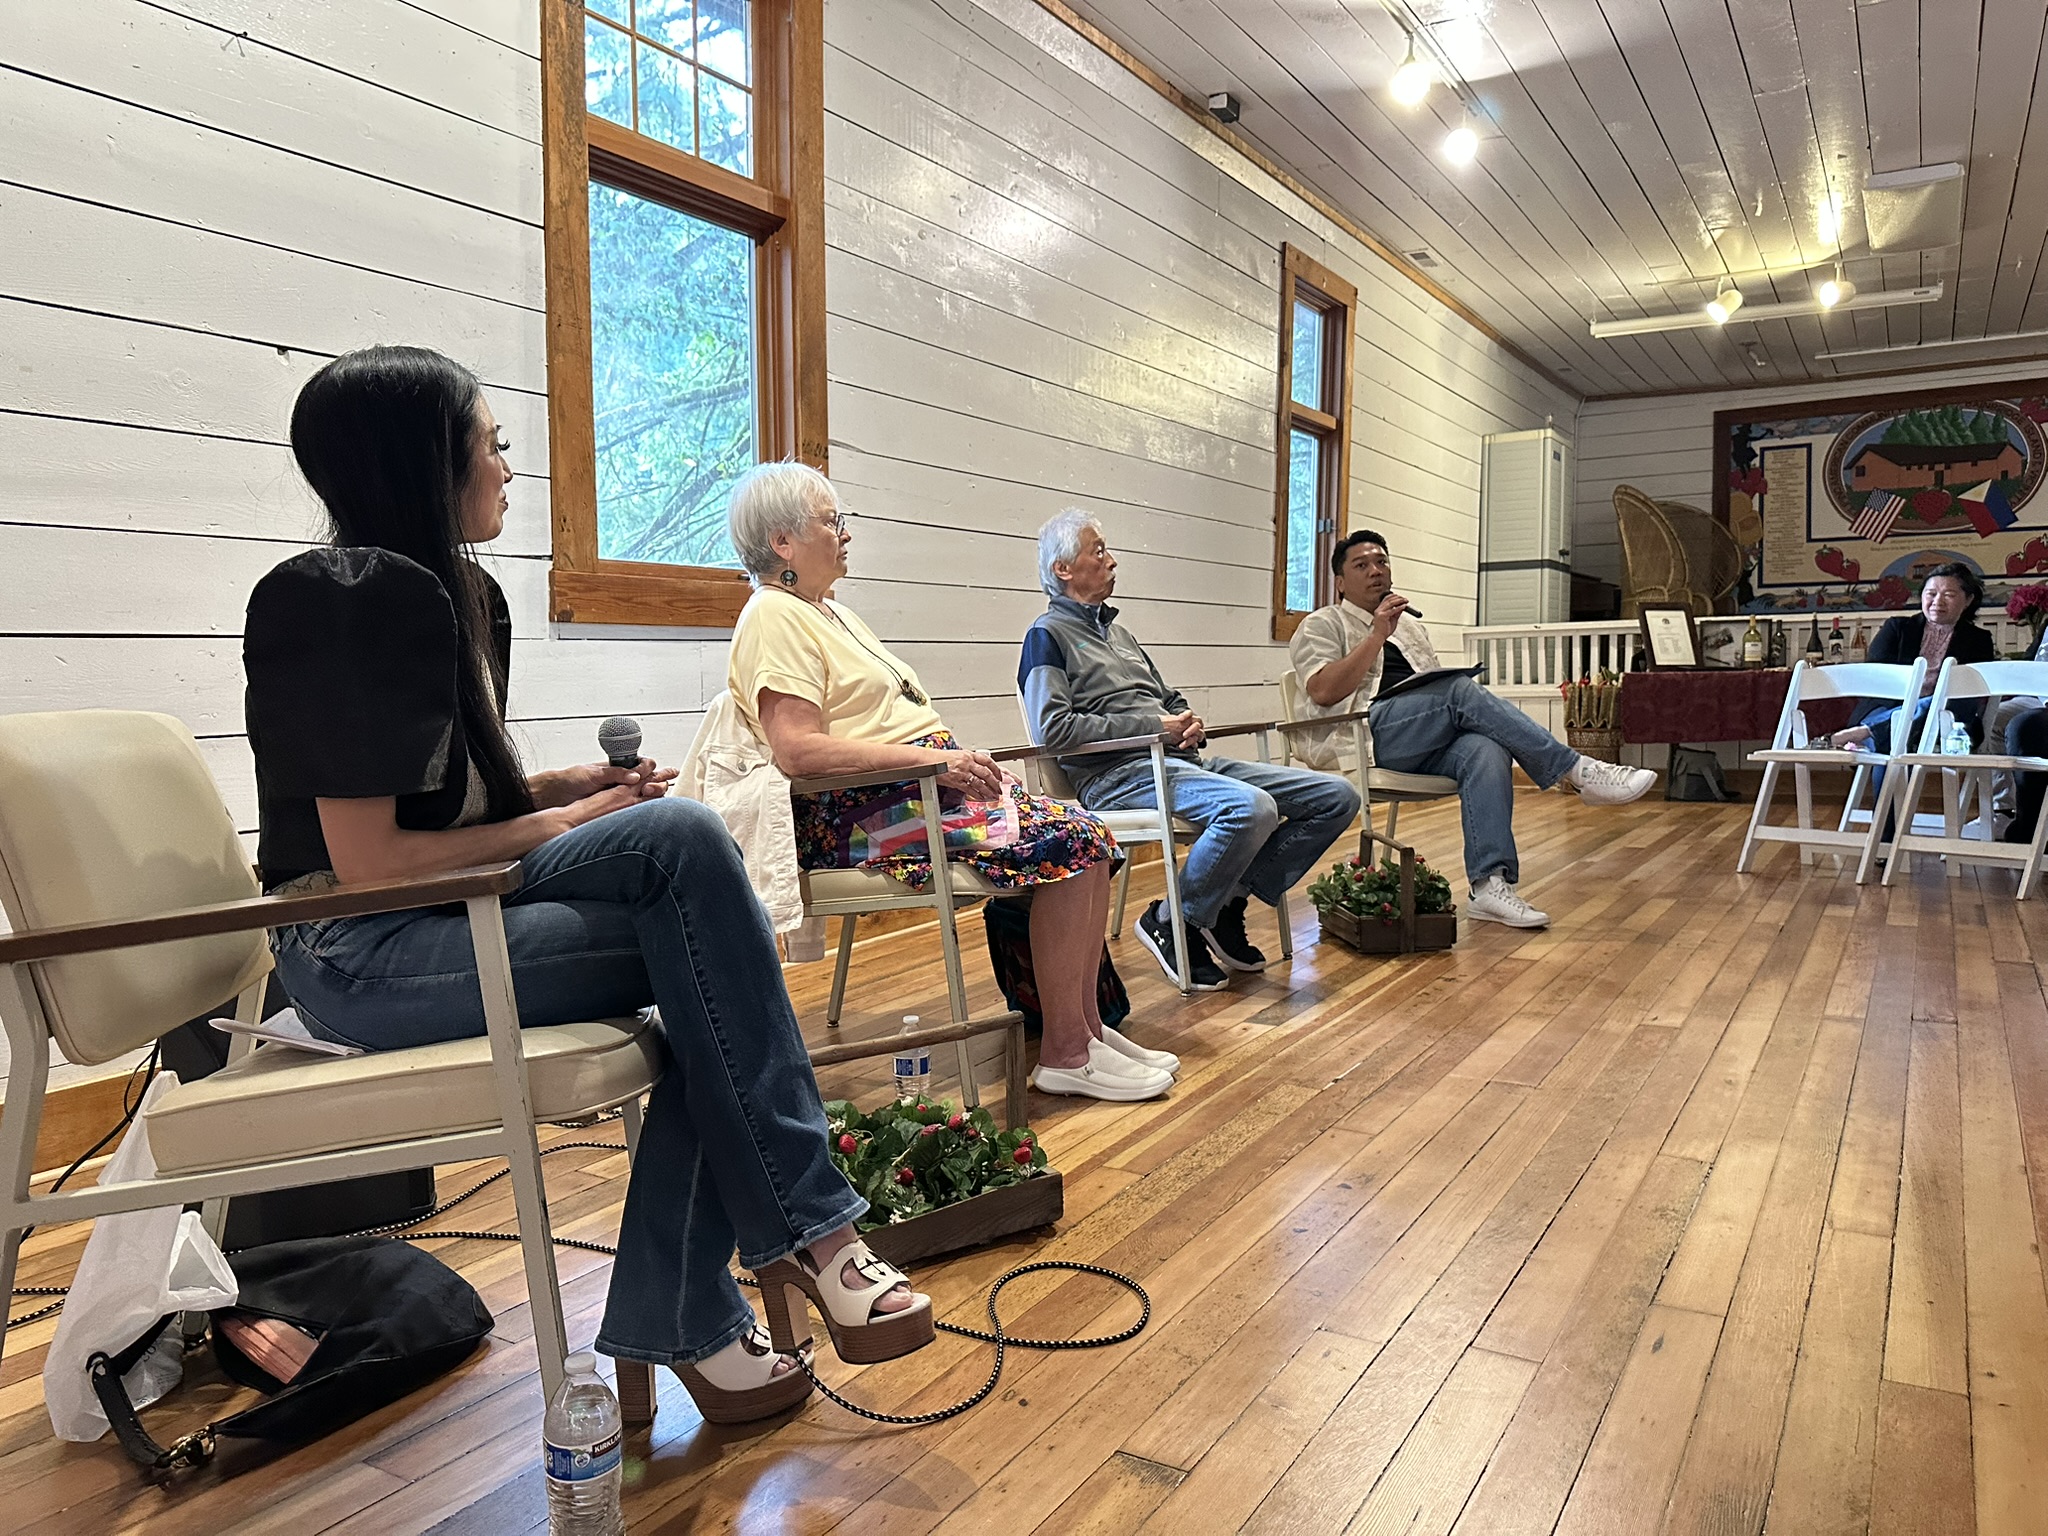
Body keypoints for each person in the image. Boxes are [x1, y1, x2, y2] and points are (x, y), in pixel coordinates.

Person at [244, 346, 929, 1429]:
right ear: (425, 460)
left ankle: (702, 1312)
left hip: (441, 914)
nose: (508, 466)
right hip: (357, 952)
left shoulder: (454, 593)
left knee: (711, 968)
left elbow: (444, 808)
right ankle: (804, 1239)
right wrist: (564, 819)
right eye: (491, 442)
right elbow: (370, 866)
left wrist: (562, 786)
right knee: (689, 868)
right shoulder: (340, 598)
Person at [724, 463, 1178, 1103]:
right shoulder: (773, 616)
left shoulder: (826, 612)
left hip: (910, 790)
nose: (846, 533)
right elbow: (797, 750)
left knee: (1090, 837)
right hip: (861, 813)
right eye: (832, 521)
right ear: (782, 543)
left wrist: (948, 763)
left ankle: (1088, 1031)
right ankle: (1066, 1053)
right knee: (1074, 841)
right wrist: (937, 764)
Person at [1021, 511, 1361, 990]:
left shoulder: (1120, 634)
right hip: (1118, 775)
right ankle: (1173, 918)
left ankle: (1222, 903)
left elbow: (1167, 698)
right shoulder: (1046, 637)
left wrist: (1186, 721)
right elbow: (1053, 730)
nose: (1112, 561)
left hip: (1181, 761)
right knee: (1252, 808)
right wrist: (1154, 727)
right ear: (1063, 569)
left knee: (1337, 797)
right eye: (1098, 551)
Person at [1288, 530, 1657, 929]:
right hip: (1364, 736)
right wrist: (1377, 635)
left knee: (1485, 748)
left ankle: (1489, 885)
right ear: (1340, 582)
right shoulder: (1321, 624)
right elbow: (1324, 691)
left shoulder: (1409, 628)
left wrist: (1394, 634)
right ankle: (1578, 771)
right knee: (1457, 691)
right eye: (1362, 565)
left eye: (1382, 561)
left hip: (1417, 738)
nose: (1376, 571)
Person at [1825, 564, 1996, 754]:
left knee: (1952, 699)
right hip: (1889, 705)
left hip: (1947, 717)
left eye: (1949, 595)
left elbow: (1970, 693)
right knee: (1894, 738)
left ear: (1968, 600)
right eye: (1931, 594)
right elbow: (1874, 679)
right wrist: (1908, 708)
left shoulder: (1979, 639)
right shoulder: (1897, 628)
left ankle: (1869, 730)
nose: (1937, 601)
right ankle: (1882, 730)